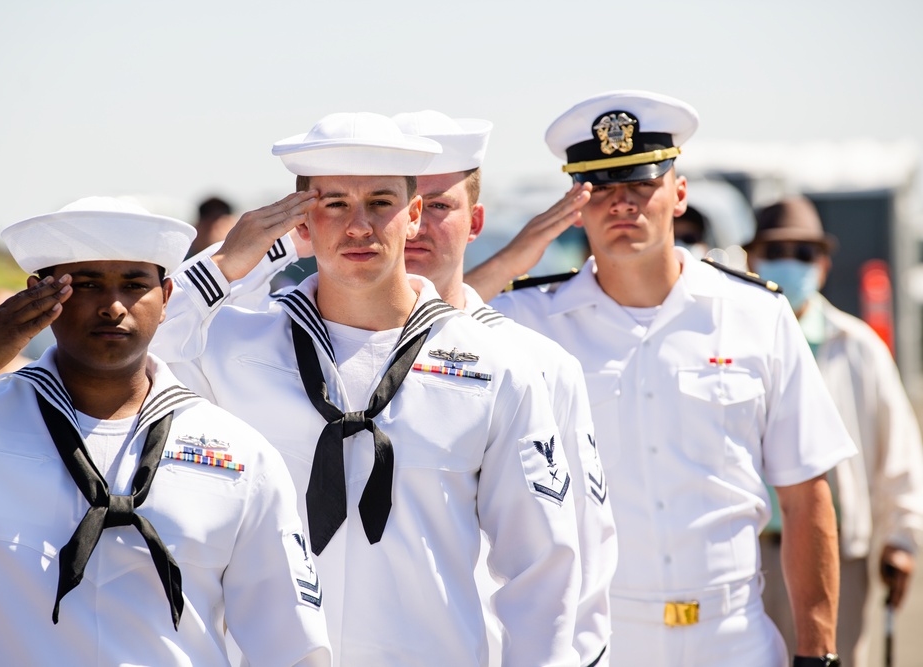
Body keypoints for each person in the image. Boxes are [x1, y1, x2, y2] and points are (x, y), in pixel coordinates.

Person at [152, 111, 583, 667]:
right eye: (333, 205)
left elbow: (542, 565)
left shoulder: (493, 367)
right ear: (300, 223)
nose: (359, 226)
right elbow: (136, 351)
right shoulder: (235, 349)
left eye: (381, 203)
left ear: (414, 216)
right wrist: (233, 262)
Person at [464, 90, 856, 667]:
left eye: (641, 184)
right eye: (599, 190)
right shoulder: (530, 321)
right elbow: (431, 328)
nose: (623, 205)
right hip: (600, 639)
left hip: (734, 636)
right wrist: (517, 254)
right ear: (576, 204)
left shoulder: (755, 315)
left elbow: (805, 496)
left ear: (678, 193)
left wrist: (817, 654)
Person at [0, 197, 330, 666]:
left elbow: (292, 647)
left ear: (167, 298)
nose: (113, 306)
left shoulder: (241, 454)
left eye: (135, 284)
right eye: (87, 284)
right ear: (39, 294)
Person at [391, 109, 617, 667]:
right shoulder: (306, 355)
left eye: (439, 206)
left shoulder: (539, 365)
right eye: (401, 207)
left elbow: (583, 565)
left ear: (476, 221)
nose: (416, 226)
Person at [746, 196, 923, 667]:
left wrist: (902, 540)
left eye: (803, 254)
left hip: (837, 556)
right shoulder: (731, 347)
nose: (791, 265)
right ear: (750, 259)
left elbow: (899, 451)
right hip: (751, 557)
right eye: (777, 251)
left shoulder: (858, 347)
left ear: (823, 266)